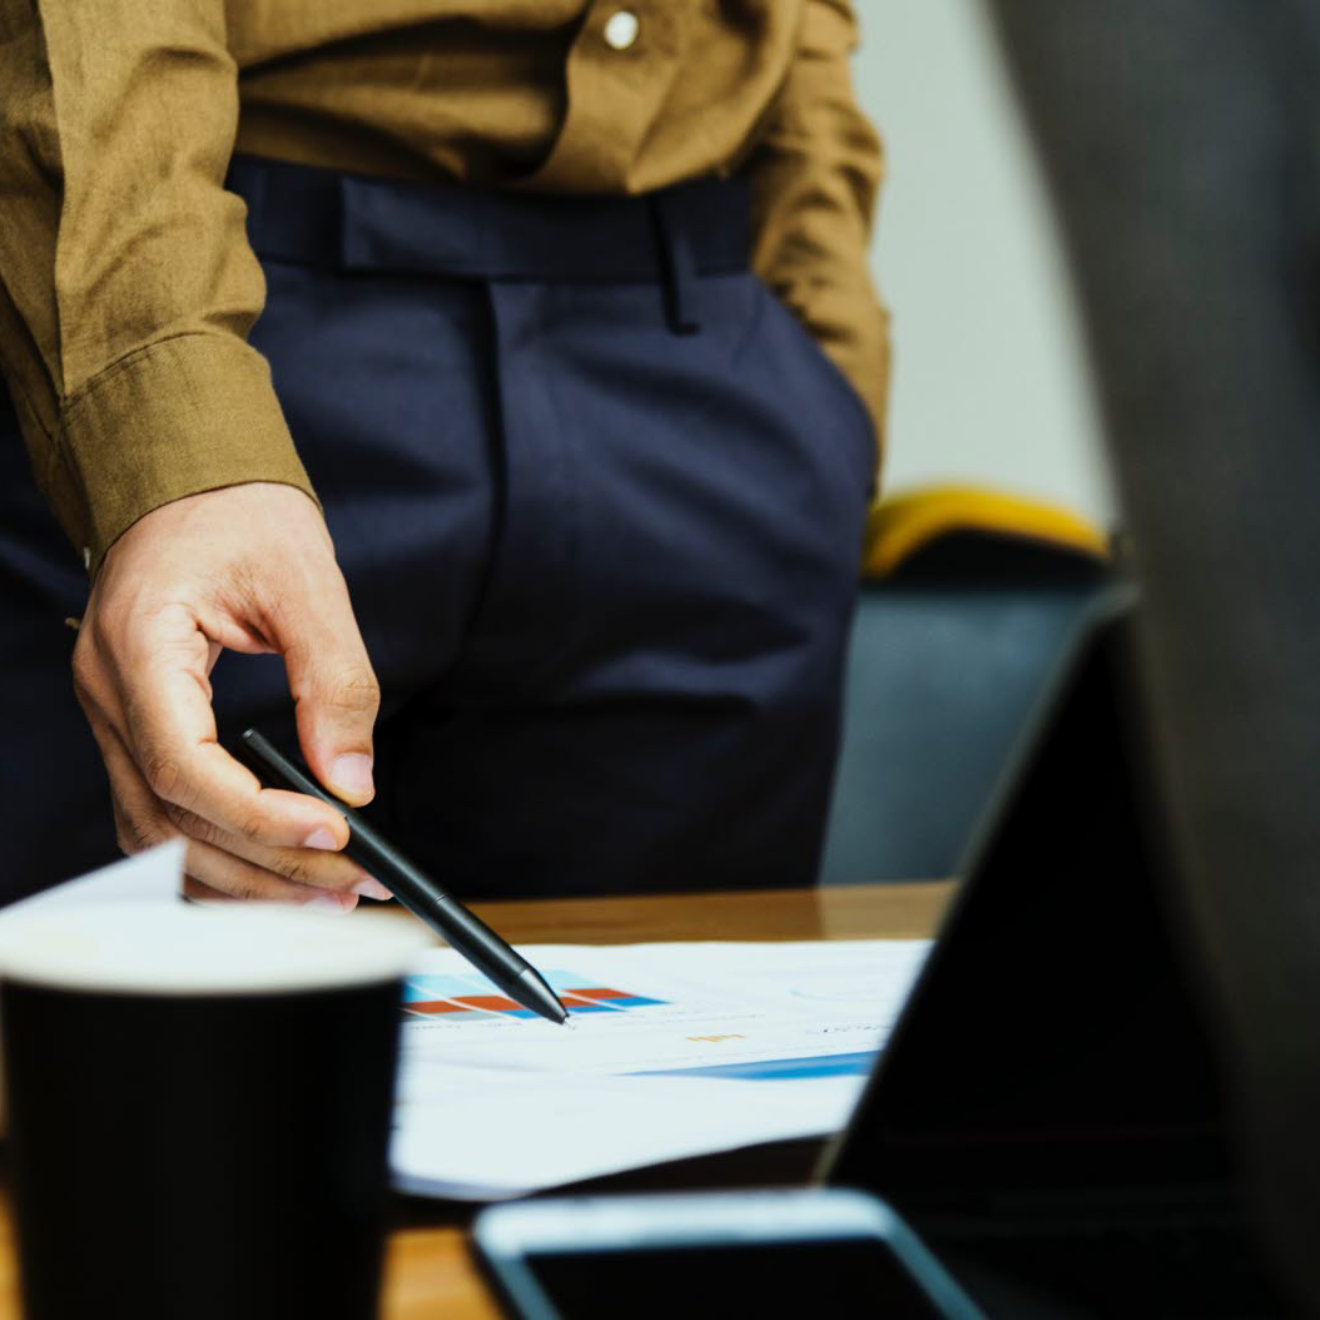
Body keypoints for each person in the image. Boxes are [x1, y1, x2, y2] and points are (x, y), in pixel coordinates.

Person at [0, 1, 889, 908]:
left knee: (681, 1033)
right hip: (228, 320)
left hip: (699, 363)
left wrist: (827, 376)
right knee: (113, 1035)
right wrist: (166, 431)